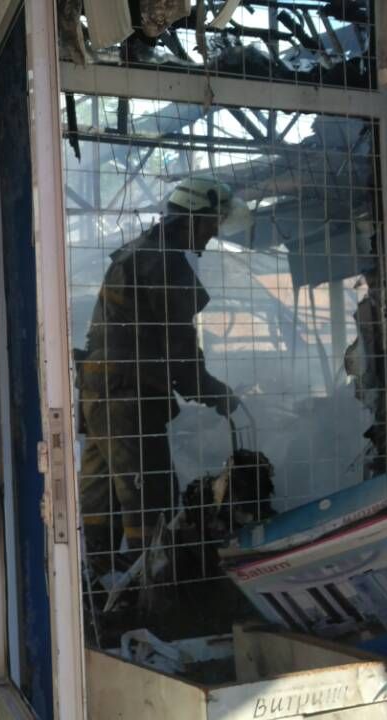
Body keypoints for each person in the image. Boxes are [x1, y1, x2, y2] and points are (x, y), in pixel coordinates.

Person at [76, 177, 247, 587]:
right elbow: (179, 345)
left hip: (100, 394)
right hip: (127, 397)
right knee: (147, 495)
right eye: (213, 223)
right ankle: (154, 590)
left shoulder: (140, 253)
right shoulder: (162, 262)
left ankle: (95, 580)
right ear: (195, 219)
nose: (214, 232)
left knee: (101, 491)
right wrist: (212, 392)